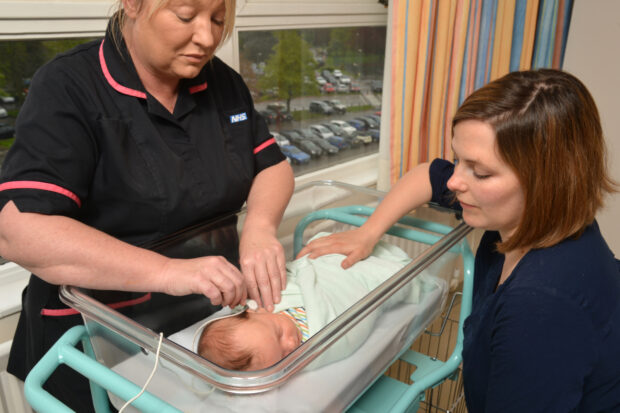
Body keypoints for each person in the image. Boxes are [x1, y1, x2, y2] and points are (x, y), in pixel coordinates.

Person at [0, 0, 294, 411]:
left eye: (218, 20)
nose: (207, 38)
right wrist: (168, 271)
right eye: (187, 16)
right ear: (133, 4)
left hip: (204, 324)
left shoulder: (222, 83)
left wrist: (260, 227)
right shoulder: (69, 86)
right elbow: (19, 230)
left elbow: (273, 166)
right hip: (101, 338)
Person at [298, 69, 620, 412]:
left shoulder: (539, 309)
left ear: (546, 182)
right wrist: (368, 232)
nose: (454, 181)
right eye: (457, 160)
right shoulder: (538, 218)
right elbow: (426, 174)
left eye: (479, 171)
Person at [198, 234, 439, 371]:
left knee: (318, 247)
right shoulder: (312, 348)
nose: (291, 343)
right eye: (282, 356)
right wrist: (306, 274)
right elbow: (346, 329)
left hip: (330, 270)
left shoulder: (262, 303)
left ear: (253, 312)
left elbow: (286, 276)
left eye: (279, 333)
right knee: (392, 280)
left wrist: (301, 270)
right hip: (350, 291)